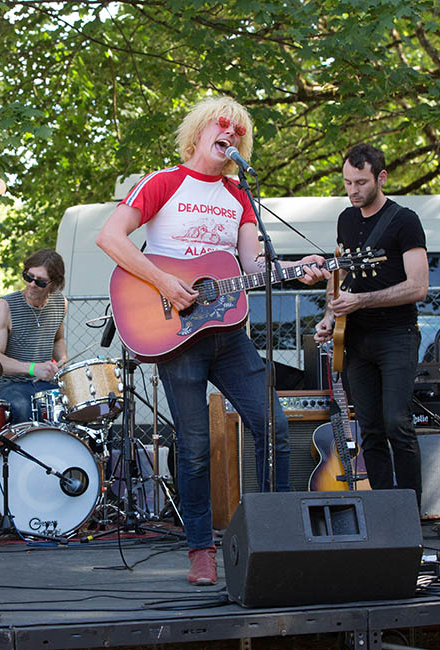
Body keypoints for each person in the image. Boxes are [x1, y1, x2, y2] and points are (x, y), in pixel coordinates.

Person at [96, 96, 327, 586]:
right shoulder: (163, 183)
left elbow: (254, 269)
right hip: (175, 334)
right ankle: (201, 548)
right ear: (200, 133)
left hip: (229, 334)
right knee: (196, 445)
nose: (231, 138)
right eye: (222, 130)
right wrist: (163, 282)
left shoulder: (240, 196)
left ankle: (276, 535)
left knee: (275, 429)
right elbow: (110, 238)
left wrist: (294, 272)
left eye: (238, 134)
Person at [315, 143, 429, 508]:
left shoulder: (404, 220)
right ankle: (383, 510)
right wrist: (329, 316)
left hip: (396, 335)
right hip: (355, 337)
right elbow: (342, 274)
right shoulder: (345, 220)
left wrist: (361, 300)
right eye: (347, 182)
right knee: (370, 429)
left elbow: (419, 286)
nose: (352, 190)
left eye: (360, 182)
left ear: (381, 177)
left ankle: (409, 509)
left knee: (397, 422)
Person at [0, 249, 68, 424]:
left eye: (40, 282)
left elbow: (58, 339)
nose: (31, 284)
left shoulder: (60, 303)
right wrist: (33, 368)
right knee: (21, 407)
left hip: (45, 385)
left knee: (73, 405)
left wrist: (62, 359)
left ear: (54, 284)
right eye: (28, 277)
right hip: (10, 385)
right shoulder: (5, 306)